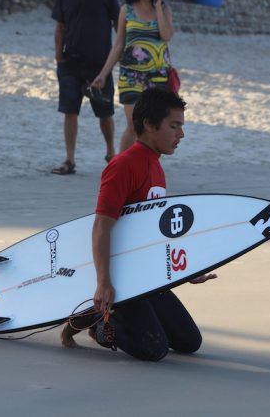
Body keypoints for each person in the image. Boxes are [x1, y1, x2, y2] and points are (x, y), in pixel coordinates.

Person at [61, 88, 217, 361]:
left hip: (146, 276)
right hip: (122, 277)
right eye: (174, 126)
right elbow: (101, 226)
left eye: (181, 126)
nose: (181, 134)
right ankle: (98, 323)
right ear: (148, 124)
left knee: (189, 342)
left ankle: (114, 314)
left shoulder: (156, 166)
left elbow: (152, 235)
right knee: (153, 349)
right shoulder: (124, 165)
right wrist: (104, 283)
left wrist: (186, 271)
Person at [91, 0, 174, 154]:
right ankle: (119, 169)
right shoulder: (126, 10)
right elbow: (118, 45)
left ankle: (146, 168)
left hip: (158, 77)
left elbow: (167, 36)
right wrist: (103, 74)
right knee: (135, 125)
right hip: (131, 76)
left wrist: (157, 8)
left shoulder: (164, 9)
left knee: (154, 127)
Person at [51, 0, 120, 175]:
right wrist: (59, 56)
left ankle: (111, 153)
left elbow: (118, 26)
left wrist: (119, 53)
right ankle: (70, 159)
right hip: (70, 63)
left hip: (99, 66)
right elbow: (60, 26)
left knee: (105, 112)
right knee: (70, 111)